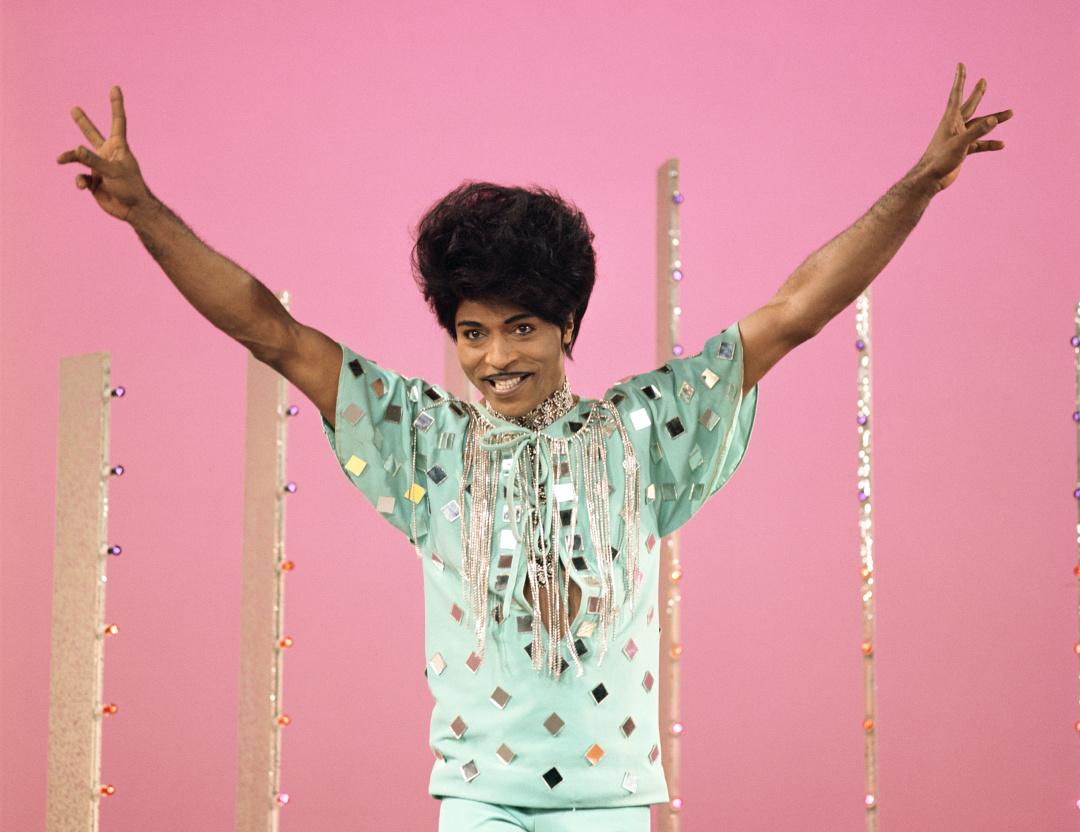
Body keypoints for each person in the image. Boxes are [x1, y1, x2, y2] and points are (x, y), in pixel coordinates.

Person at [57, 64, 1010, 831]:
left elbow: (796, 312)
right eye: (473, 333)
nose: (496, 357)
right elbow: (270, 331)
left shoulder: (644, 431)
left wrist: (918, 185)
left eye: (521, 328)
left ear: (566, 326)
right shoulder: (423, 438)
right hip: (477, 797)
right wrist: (144, 211)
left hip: (613, 797)